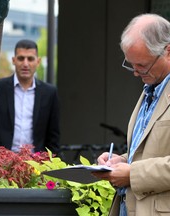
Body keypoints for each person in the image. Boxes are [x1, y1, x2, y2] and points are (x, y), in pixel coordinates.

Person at [93, 14, 170, 216]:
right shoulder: (151, 86)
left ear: (168, 52)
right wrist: (121, 161)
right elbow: (149, 151)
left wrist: (132, 173)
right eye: (131, 65)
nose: (136, 73)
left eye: (142, 65)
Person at [0, 39, 60, 154]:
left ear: (38, 61)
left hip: (35, 163)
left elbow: (53, 136)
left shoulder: (49, 93)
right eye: (21, 58)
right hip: (1, 162)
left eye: (30, 59)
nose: (25, 64)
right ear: (14, 60)